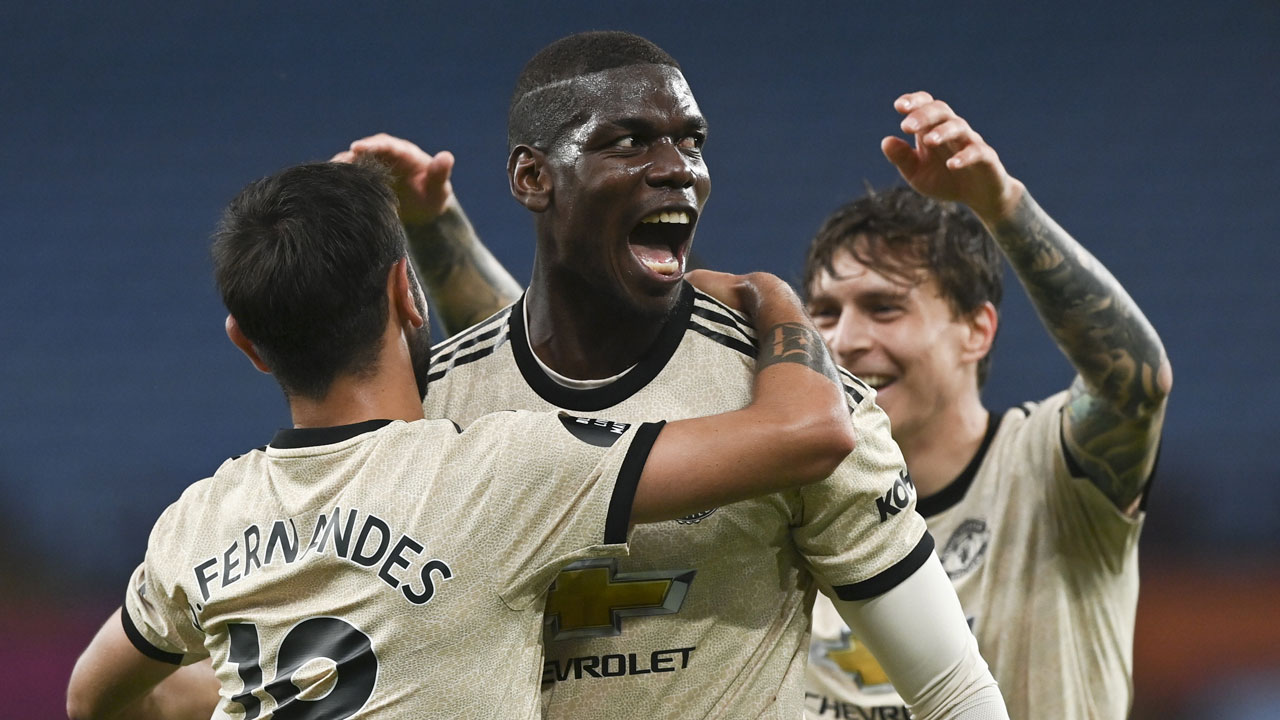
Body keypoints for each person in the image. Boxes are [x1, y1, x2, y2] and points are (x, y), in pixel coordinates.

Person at [340, 32, 1008, 719]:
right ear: (532, 178)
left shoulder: (789, 389)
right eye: (629, 142)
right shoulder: (431, 407)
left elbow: (951, 690)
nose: (677, 169)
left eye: (691, 142)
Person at [64, 159, 869, 719]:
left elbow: (90, 696)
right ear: (404, 293)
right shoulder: (496, 470)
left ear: (246, 342)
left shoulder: (199, 519)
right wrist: (775, 300)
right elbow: (807, 432)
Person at [801, 92, 1171, 718]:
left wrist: (1002, 208)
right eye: (826, 313)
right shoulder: (798, 503)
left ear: (978, 329)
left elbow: (1133, 384)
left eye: (884, 307)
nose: (845, 340)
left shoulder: (1048, 467)